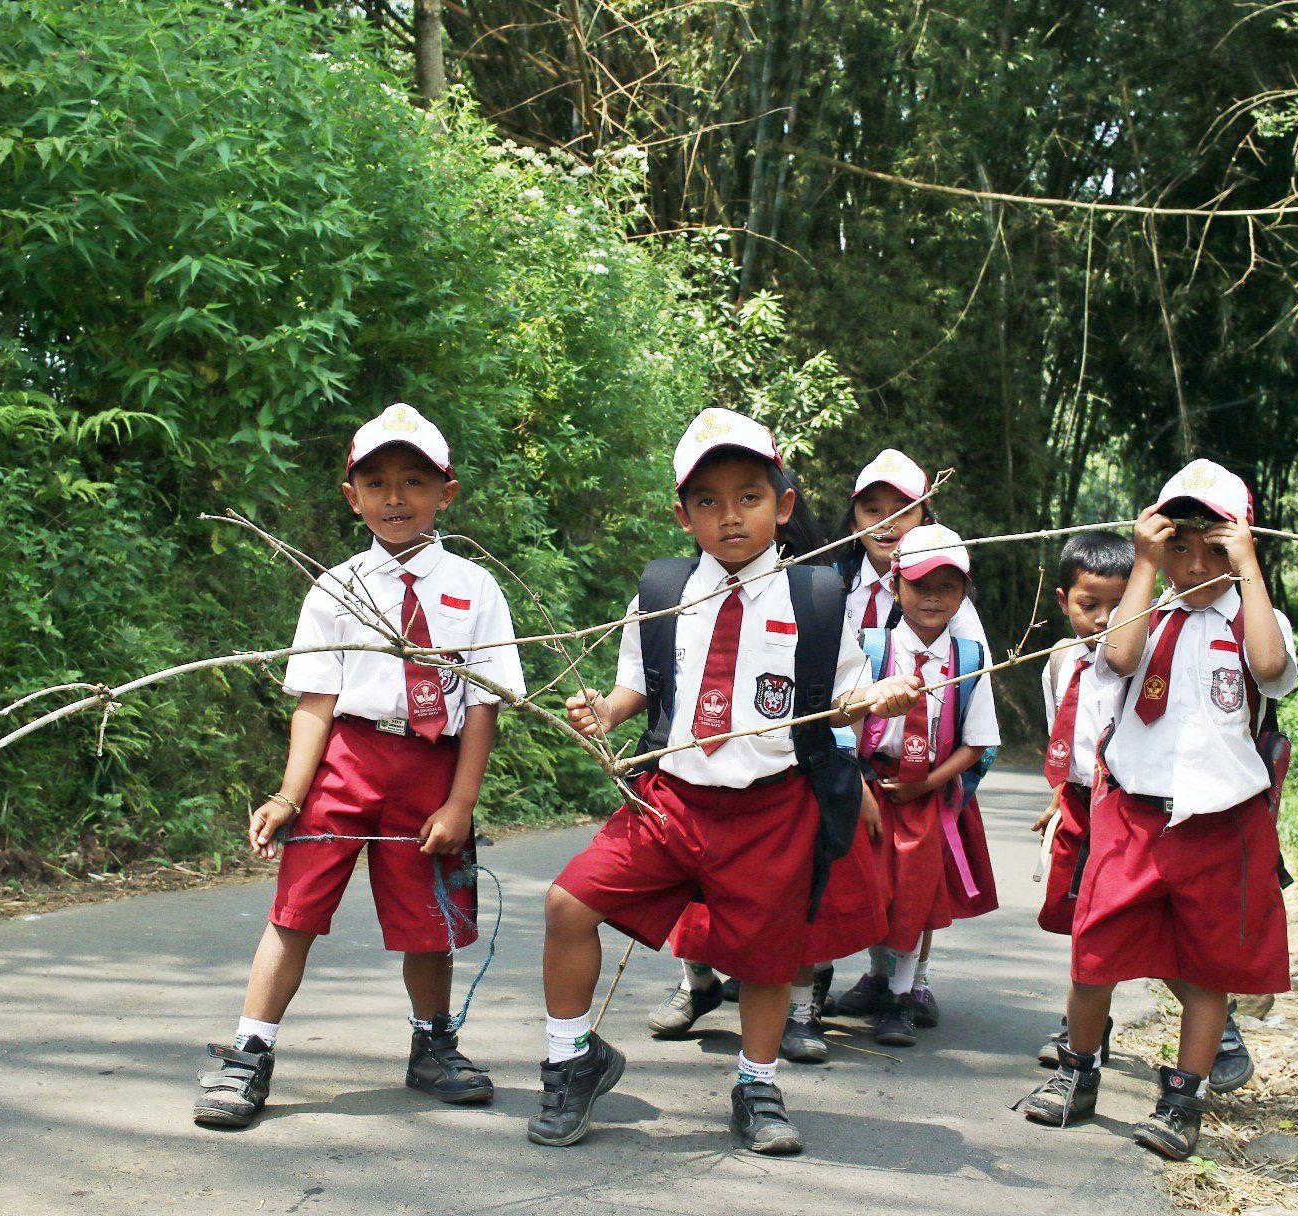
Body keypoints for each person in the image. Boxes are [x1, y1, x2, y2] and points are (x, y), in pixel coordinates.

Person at [530, 408, 917, 1155]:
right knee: (568, 904)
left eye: (749, 495)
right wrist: (603, 712)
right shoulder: (661, 590)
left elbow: (844, 697)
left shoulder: (816, 599)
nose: (730, 516)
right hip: (671, 802)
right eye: (707, 501)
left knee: (767, 957)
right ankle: (570, 1058)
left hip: (772, 808)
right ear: (682, 515)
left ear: (784, 506)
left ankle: (756, 1083)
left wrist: (878, 696)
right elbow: (637, 689)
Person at [192, 403, 525, 1130]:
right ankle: (251, 1051)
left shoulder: (477, 589)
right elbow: (316, 700)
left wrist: (461, 803)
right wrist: (288, 794)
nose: (396, 499)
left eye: (414, 481)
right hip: (347, 759)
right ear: (352, 497)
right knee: (295, 910)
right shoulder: (335, 589)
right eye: (376, 483)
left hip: (431, 768)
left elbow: (482, 708)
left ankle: (433, 1043)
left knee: (427, 921)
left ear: (447, 492)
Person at [1018, 459, 1296, 1161]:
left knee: (1207, 975)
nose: (1193, 563)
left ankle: (1182, 1098)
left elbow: (1271, 672)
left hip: (1220, 823)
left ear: (1239, 544)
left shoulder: (1255, 619)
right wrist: (1143, 565)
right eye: (1178, 545)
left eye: (1213, 545)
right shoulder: (1144, 614)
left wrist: (1249, 570)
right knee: (1096, 956)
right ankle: (1078, 1074)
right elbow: (1114, 658)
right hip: (1134, 817)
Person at [1031, 532, 1258, 1090]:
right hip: (1085, 805)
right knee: (1088, 925)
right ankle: (1087, 1030)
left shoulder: (1150, 642)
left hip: (1130, 808)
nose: (1106, 619)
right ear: (1064, 601)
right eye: (1090, 606)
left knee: (1143, 929)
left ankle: (1218, 1029)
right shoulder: (1059, 663)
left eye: (1118, 603)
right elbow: (1067, 738)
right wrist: (1059, 796)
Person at [852, 525, 998, 1046]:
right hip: (872, 788)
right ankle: (874, 976)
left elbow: (978, 741)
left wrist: (928, 785)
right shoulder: (870, 650)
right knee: (870, 887)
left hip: (924, 794)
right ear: (896, 588)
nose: (933, 597)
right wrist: (861, 787)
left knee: (912, 894)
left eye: (948, 586)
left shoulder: (969, 661)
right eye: (919, 585)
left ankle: (901, 996)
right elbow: (844, 726)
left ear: (964, 592)